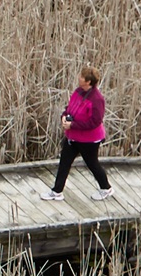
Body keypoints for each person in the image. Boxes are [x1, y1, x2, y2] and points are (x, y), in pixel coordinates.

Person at [44, 66, 114, 201]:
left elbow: (95, 122)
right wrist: (65, 116)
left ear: (88, 82)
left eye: (82, 77)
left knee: (92, 163)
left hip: (89, 140)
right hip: (73, 137)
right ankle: (57, 191)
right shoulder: (78, 91)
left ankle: (106, 188)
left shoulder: (97, 99)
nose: (79, 78)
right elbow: (70, 108)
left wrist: (73, 125)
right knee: (64, 162)